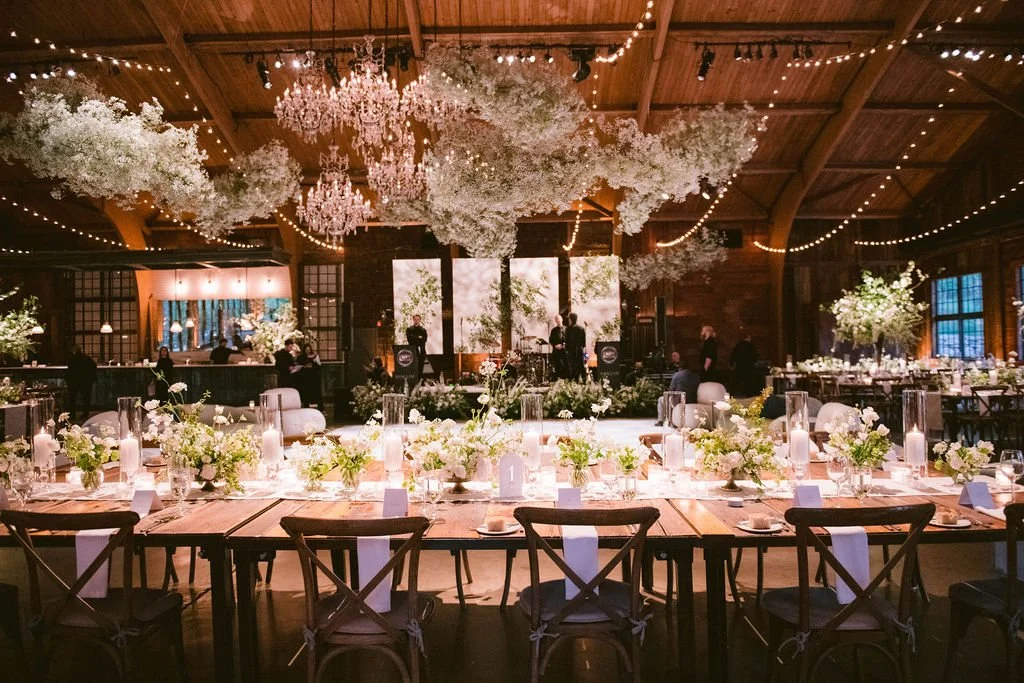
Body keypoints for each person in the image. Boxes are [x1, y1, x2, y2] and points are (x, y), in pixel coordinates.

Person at [66, 345, 97, 421]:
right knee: (86, 398)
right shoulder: (86, 358)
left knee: (72, 398)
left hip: (74, 381)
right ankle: (85, 414)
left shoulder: (72, 359)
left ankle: (72, 414)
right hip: (85, 380)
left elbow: (69, 368)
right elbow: (94, 365)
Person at [730, 332, 760, 397]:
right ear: (748, 338)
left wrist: (731, 364)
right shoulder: (750, 346)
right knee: (748, 381)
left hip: (739, 366)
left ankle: (731, 393)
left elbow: (733, 355)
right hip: (748, 366)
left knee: (736, 381)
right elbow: (754, 356)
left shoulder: (738, 345)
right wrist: (755, 362)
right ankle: (749, 395)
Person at [298, 343, 322, 408]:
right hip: (305, 378)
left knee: (317, 392)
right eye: (306, 350)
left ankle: (320, 408)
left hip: (313, 377)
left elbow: (319, 366)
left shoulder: (314, 356)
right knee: (306, 393)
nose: (308, 351)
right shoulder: (301, 357)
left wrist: (314, 362)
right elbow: (299, 365)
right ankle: (306, 406)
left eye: (309, 350)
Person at [564, 312, 586, 381]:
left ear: (570, 319)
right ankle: (584, 381)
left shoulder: (568, 329)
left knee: (572, 367)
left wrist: (566, 350)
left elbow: (567, 341)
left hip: (571, 351)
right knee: (581, 366)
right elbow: (584, 343)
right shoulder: (581, 328)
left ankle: (574, 381)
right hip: (579, 350)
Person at [406, 314, 428, 380]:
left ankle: (420, 380)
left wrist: (414, 337)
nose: (416, 321)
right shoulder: (409, 329)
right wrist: (418, 337)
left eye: (418, 319)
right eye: (415, 319)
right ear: (413, 320)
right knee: (413, 366)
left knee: (421, 366)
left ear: (420, 320)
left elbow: (424, 339)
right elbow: (409, 339)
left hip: (421, 351)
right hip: (413, 351)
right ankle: (413, 380)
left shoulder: (423, 330)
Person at [548, 313, 568, 380]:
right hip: (556, 351)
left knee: (565, 365)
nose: (558, 320)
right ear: (555, 321)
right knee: (558, 365)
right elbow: (551, 340)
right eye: (556, 319)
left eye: (559, 319)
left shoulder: (566, 329)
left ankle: (566, 380)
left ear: (562, 319)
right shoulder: (553, 330)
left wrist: (564, 345)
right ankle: (559, 380)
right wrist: (555, 345)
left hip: (565, 351)